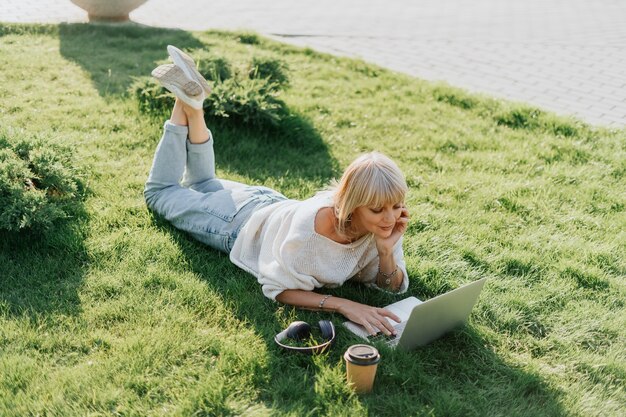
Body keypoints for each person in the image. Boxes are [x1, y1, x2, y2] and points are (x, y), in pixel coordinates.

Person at [145, 46, 411, 337]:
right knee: (160, 192)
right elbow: (278, 288)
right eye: (377, 210)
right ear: (352, 204)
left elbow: (389, 286)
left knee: (203, 183)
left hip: (271, 207)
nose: (389, 217)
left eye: (396, 206)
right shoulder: (313, 233)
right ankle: (182, 101)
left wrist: (386, 252)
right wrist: (344, 305)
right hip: (237, 223)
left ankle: (193, 104)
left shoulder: (383, 223)